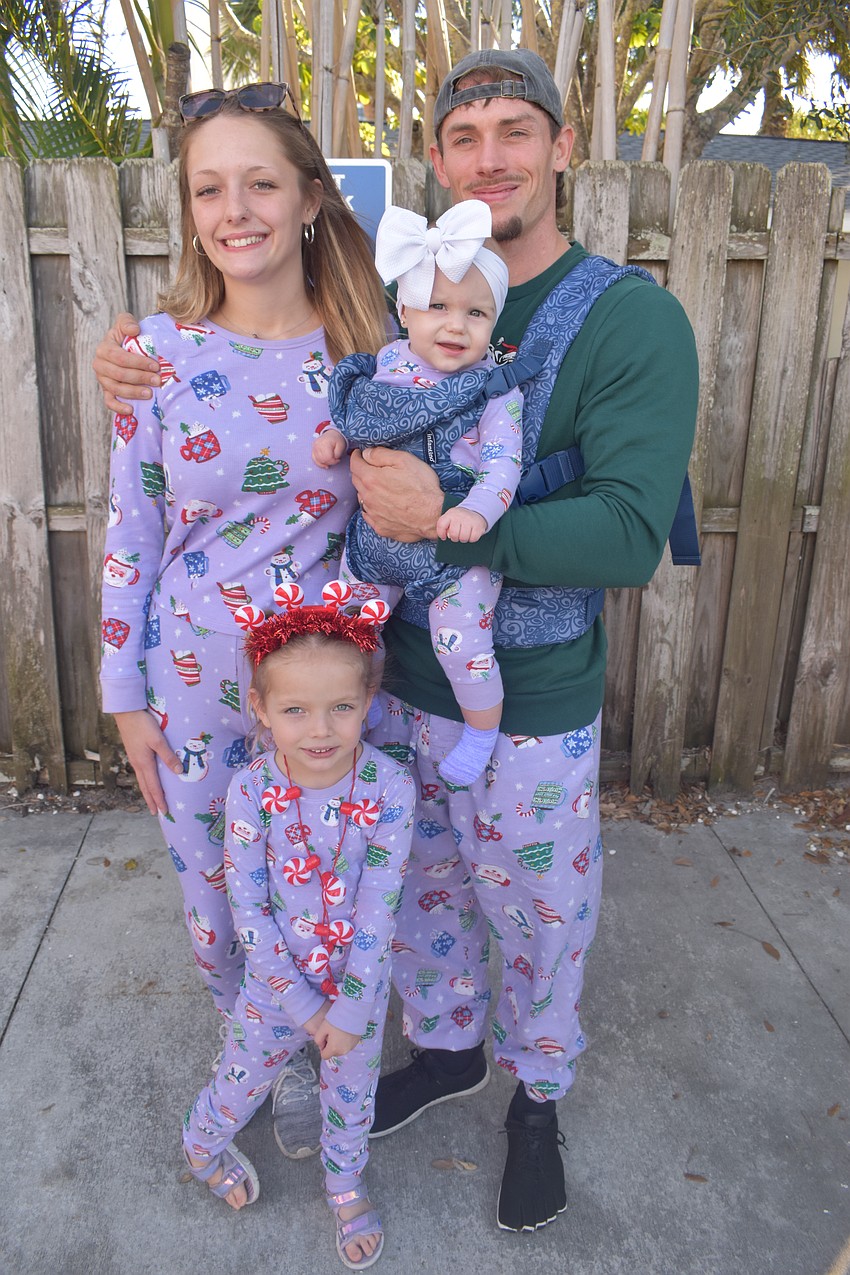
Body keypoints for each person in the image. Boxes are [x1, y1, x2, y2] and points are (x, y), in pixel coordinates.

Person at [95, 50, 699, 1235]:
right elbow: (171, 466)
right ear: (435, 164)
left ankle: (537, 1097)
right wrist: (129, 364)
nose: (491, 156)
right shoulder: (375, 319)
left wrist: (452, 522)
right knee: (406, 898)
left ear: (562, 147)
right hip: (360, 693)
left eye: (516, 131)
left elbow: (630, 531)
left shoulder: (615, 317)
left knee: (532, 908)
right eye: (465, 135)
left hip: (507, 685)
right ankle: (439, 1050)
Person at [97, 81, 389, 1165]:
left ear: (311, 197)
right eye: (208, 188)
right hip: (188, 686)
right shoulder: (160, 354)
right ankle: (252, 1044)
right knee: (217, 893)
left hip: (325, 702)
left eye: (260, 181)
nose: (236, 209)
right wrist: (123, 696)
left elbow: (408, 526)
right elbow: (133, 534)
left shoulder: (374, 358)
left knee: (325, 891)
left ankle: (318, 1048)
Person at [182, 594, 414, 1269]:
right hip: (274, 990)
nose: (320, 729)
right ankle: (201, 1143)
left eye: (341, 705)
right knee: (239, 1079)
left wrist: (347, 1007)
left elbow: (380, 907)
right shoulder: (251, 790)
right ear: (258, 707)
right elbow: (248, 912)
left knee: (351, 1095)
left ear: (370, 697)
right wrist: (305, 1006)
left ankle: (344, 1182)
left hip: (356, 993)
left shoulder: (391, 788)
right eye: (294, 710)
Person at [315, 199, 523, 785]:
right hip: (377, 542)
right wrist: (336, 435)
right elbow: (367, 418)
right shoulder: (385, 366)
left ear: (493, 323)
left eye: (476, 314)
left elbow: (504, 466)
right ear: (405, 310)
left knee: (462, 638)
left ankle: (482, 729)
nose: (456, 325)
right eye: (438, 307)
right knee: (350, 625)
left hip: (454, 550)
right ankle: (367, 697)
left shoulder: (495, 391)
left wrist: (477, 513)